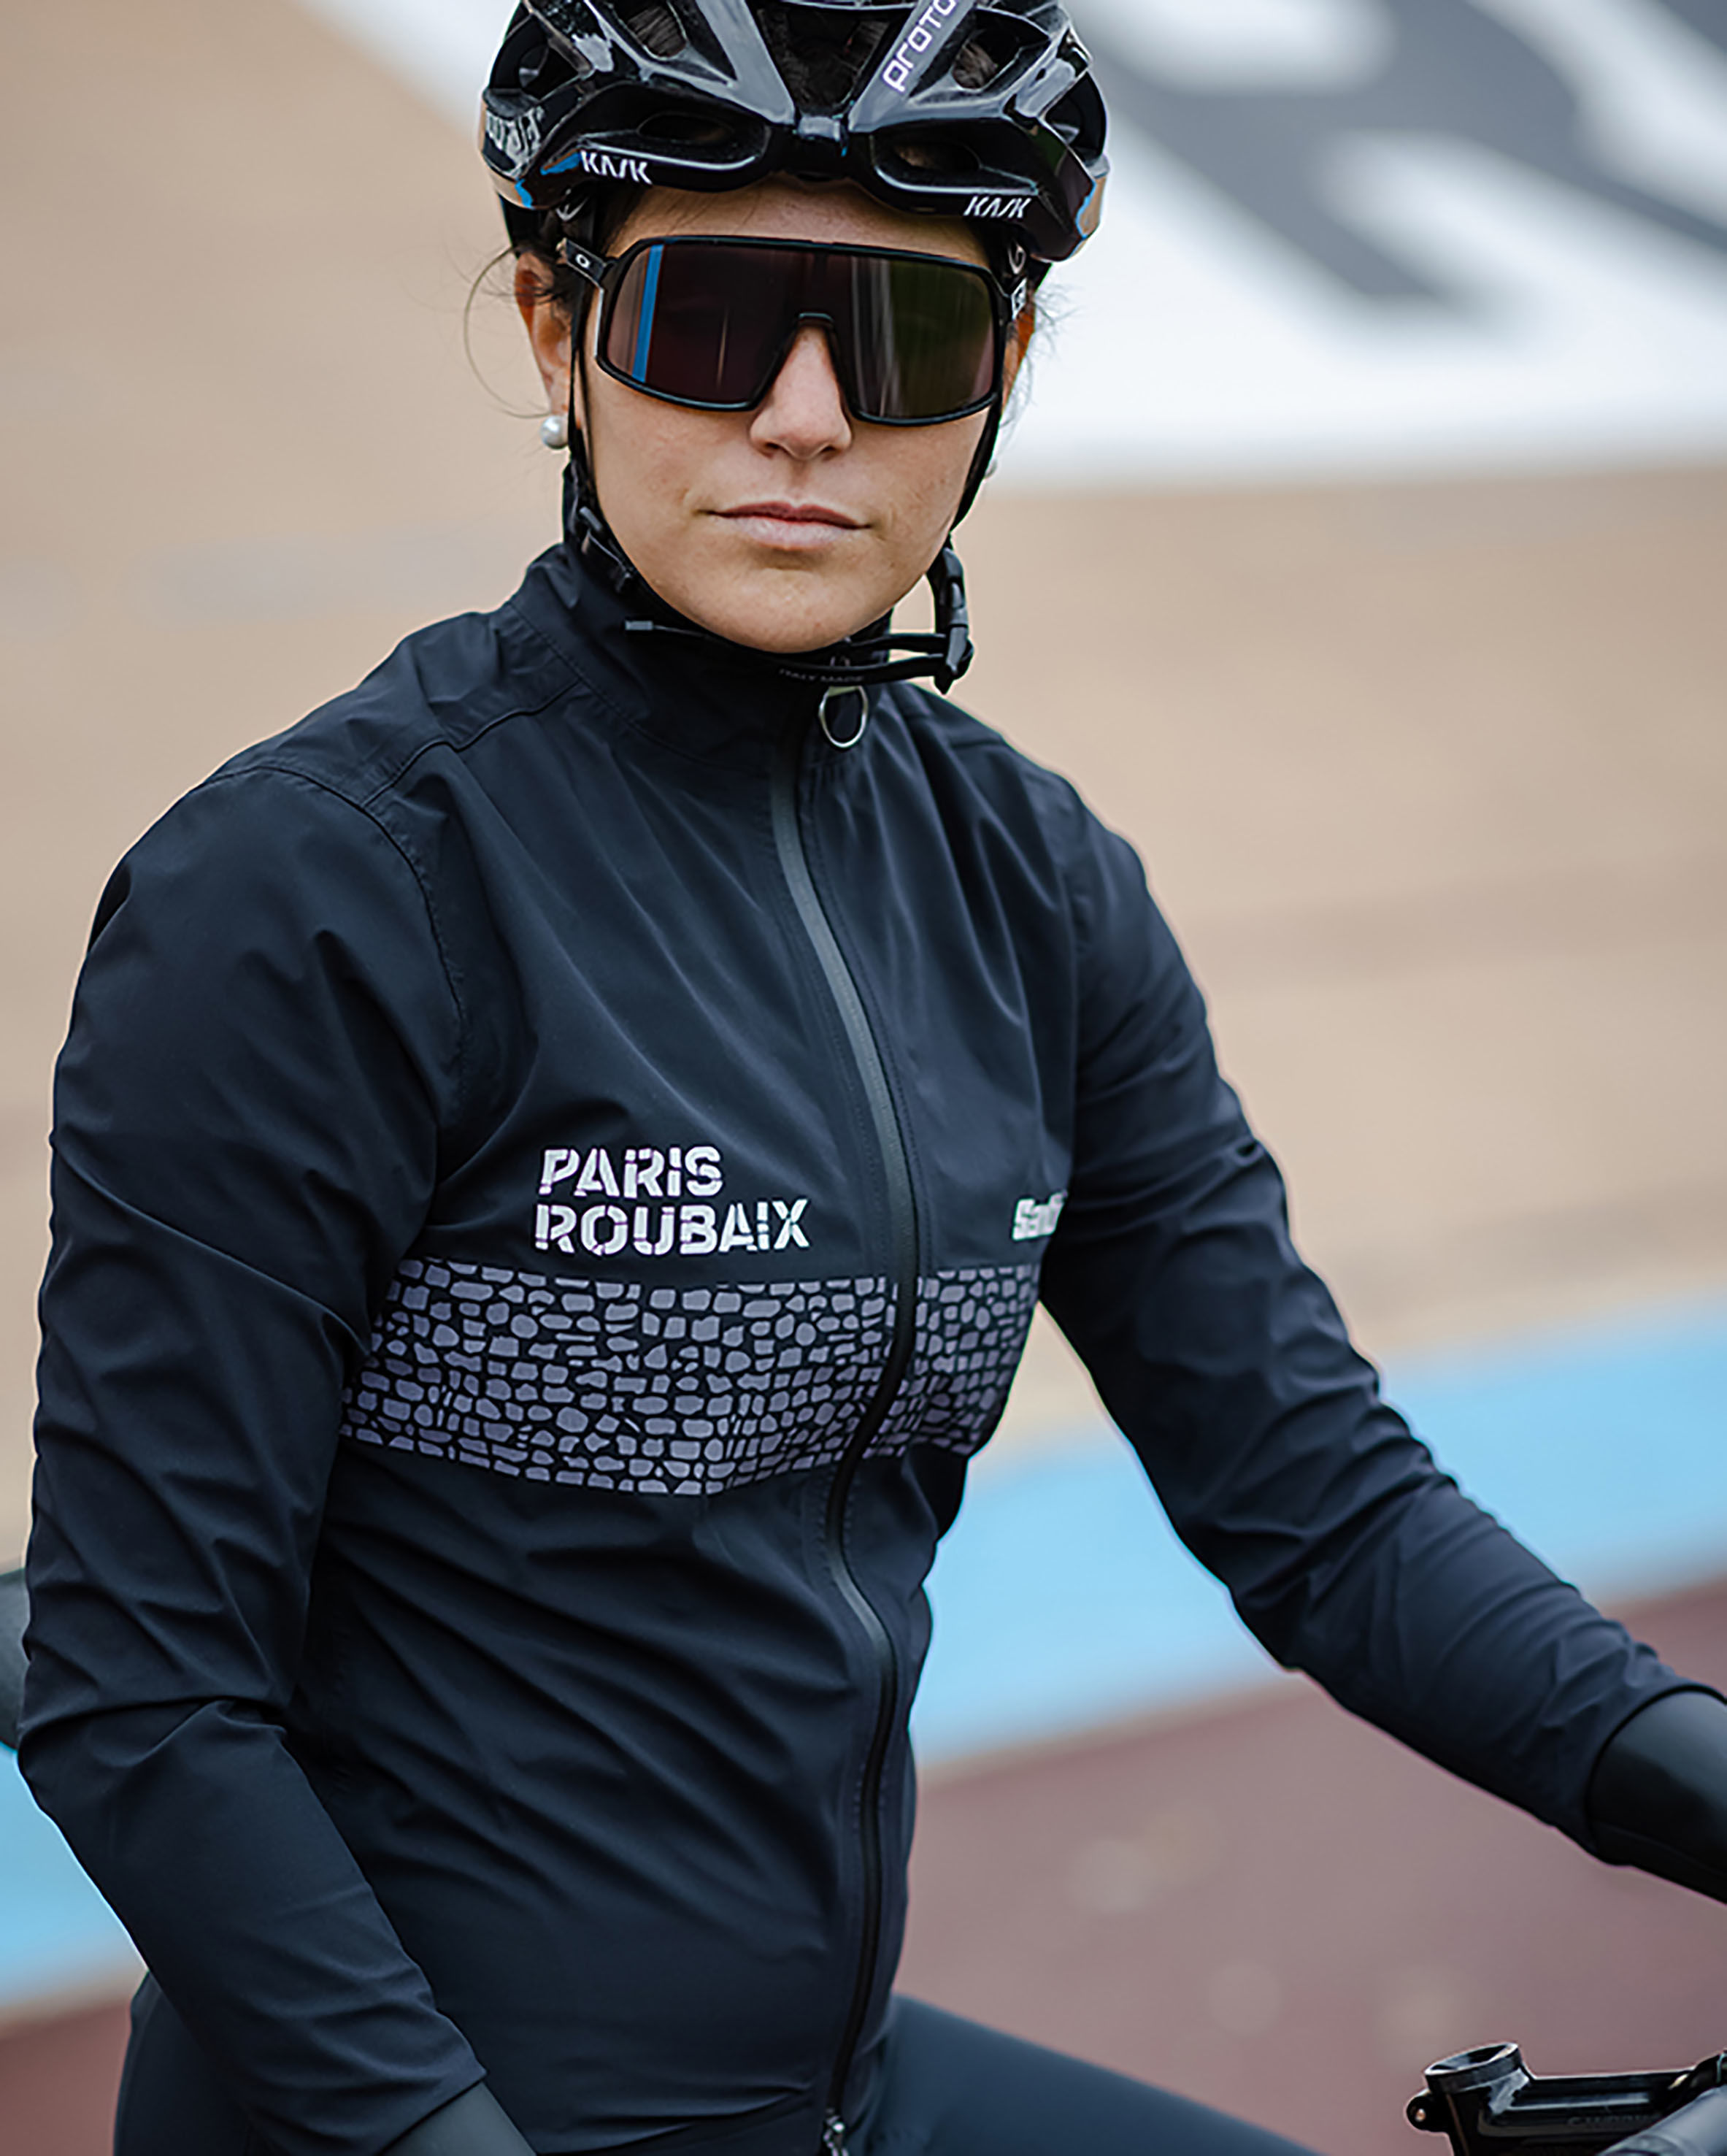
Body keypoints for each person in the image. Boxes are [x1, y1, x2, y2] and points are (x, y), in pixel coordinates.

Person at [17, 4, 1727, 2153]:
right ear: (556, 331)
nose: (807, 416)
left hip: (828, 2088)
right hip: (406, 2112)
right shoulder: (319, 888)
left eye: (905, 337)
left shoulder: (1030, 876)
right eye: (713, 319)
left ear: (1000, 372)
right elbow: (145, 1689)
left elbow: (1322, 1500)